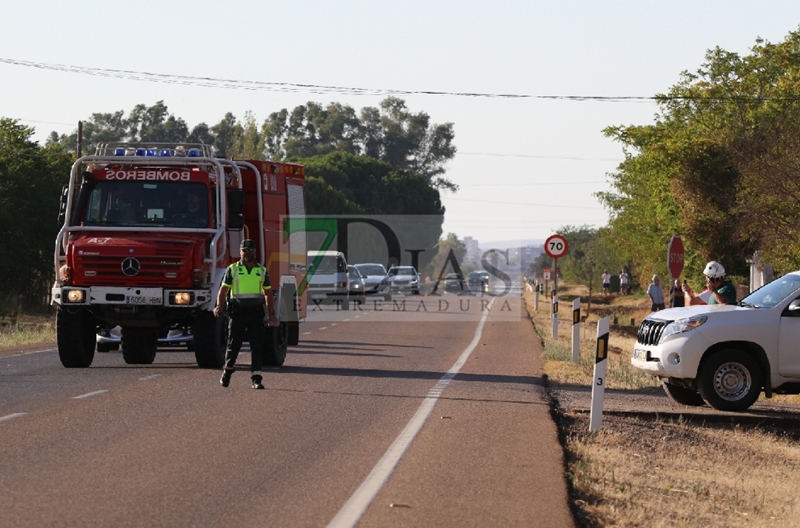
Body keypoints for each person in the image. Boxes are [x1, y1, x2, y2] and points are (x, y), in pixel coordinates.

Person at [213, 239, 280, 389]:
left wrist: (271, 314)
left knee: (257, 346)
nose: (247, 253)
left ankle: (256, 378)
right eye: (245, 250)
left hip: (256, 313)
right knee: (233, 344)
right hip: (237, 313)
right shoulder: (233, 269)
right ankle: (227, 371)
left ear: (254, 251)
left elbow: (268, 293)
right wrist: (219, 306)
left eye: (250, 250)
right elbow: (223, 290)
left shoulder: (261, 270)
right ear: (240, 252)